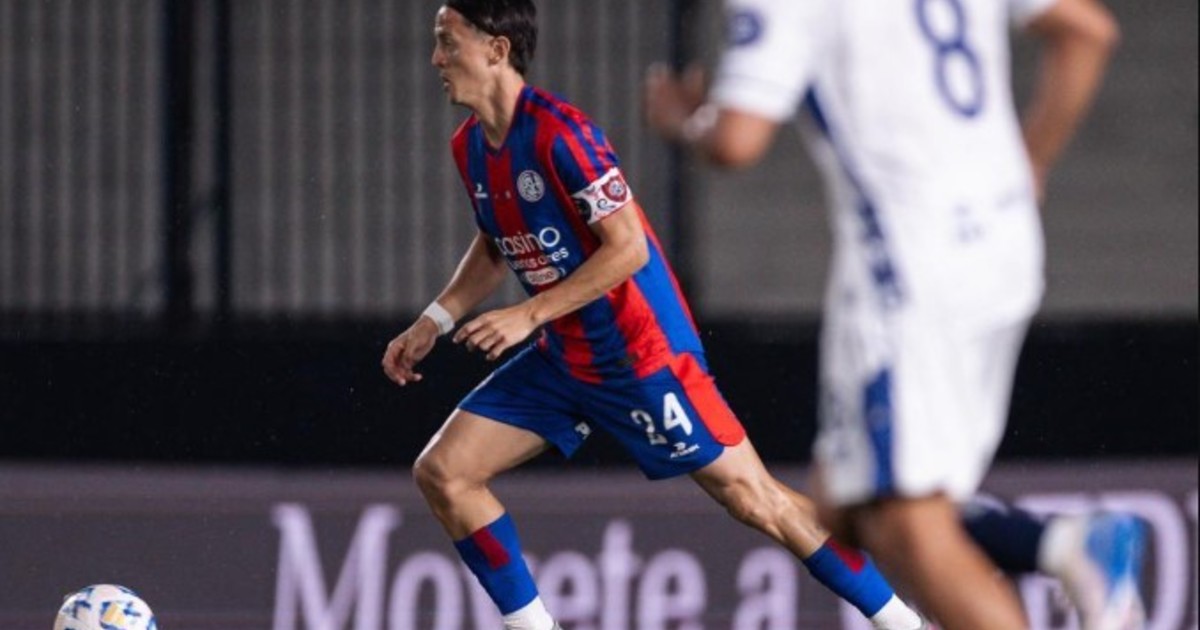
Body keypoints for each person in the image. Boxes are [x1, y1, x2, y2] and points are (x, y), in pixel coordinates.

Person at [382, 1, 930, 629]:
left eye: (447, 41)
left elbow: (629, 248)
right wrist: (434, 320)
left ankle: (902, 624)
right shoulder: (470, 148)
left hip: (639, 355)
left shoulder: (562, 134)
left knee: (755, 500)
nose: (436, 59)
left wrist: (529, 314)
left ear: (496, 49)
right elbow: (494, 245)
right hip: (564, 358)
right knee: (446, 473)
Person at [643, 0, 1133, 628]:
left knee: (909, 521)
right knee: (846, 504)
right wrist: (1031, 162)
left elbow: (736, 140)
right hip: (1005, 242)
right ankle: (1059, 545)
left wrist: (683, 122)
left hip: (910, 272)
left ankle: (1074, 546)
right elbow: (1087, 31)